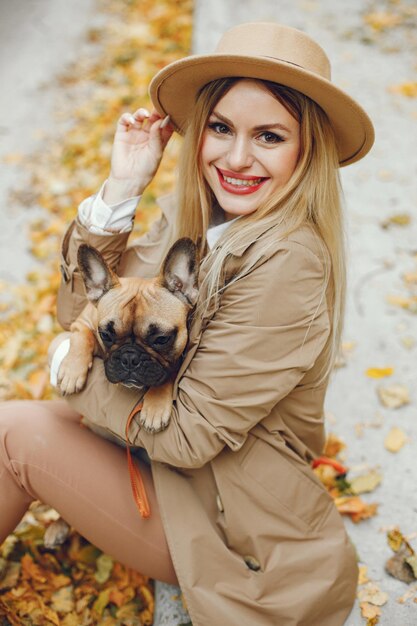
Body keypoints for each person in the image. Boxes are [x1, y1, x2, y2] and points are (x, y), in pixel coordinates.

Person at [0, 21, 374, 626]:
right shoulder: (196, 217)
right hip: (170, 474)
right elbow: (81, 313)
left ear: (308, 152)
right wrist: (123, 187)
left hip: (229, 526)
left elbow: (188, 437)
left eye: (270, 136)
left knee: (11, 434)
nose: (237, 157)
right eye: (222, 128)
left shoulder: (290, 262)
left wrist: (61, 361)